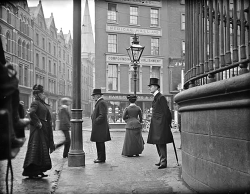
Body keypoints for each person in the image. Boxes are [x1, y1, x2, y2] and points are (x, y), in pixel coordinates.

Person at [22, 84, 55, 178]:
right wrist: (38, 123)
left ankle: (40, 170)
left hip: (42, 130)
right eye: (43, 93)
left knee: (41, 150)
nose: (44, 95)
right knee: (36, 150)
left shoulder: (42, 104)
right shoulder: (35, 103)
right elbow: (31, 112)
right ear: (39, 94)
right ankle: (32, 172)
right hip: (37, 131)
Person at [147, 78, 173, 169]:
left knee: (161, 142)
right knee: (157, 142)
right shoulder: (156, 97)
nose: (149, 88)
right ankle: (161, 159)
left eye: (150, 86)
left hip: (161, 124)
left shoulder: (161, 97)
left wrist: (168, 123)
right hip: (156, 124)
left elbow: (167, 111)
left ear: (155, 87)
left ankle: (163, 161)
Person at [90, 88, 111, 163]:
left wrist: (96, 121)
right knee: (99, 142)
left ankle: (101, 158)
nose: (93, 97)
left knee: (100, 142)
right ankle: (100, 157)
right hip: (99, 126)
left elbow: (102, 115)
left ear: (98, 95)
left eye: (94, 95)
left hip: (99, 127)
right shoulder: (100, 102)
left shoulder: (101, 102)